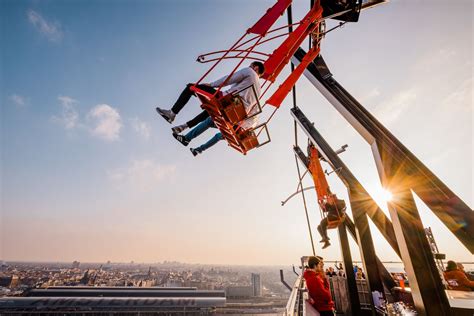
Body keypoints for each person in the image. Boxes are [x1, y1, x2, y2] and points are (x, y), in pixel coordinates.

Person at [156, 62, 265, 155]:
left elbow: (229, 79)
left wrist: (211, 85)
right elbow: (253, 111)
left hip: (227, 100)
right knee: (210, 112)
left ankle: (172, 113)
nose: (250, 67)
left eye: (251, 66)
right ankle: (184, 131)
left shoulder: (250, 72)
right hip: (235, 114)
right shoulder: (259, 91)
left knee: (191, 87)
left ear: (255, 68)